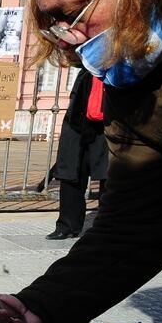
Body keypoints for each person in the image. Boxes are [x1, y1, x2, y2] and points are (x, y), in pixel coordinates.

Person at [0, 0, 162, 323]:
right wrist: (42, 309)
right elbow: (134, 226)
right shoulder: (133, 74)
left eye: (73, 13)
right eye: (54, 24)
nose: (70, 36)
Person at [47, 70, 108, 240]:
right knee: (71, 169)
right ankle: (67, 225)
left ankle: (106, 228)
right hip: (80, 112)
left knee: (109, 175)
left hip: (111, 116)